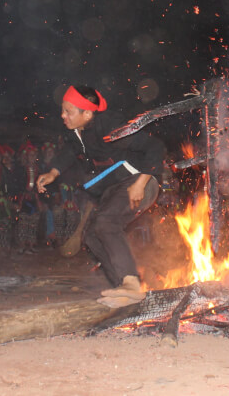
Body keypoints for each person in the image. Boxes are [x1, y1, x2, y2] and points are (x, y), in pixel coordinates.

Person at [37, 85, 164, 307]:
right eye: (63, 110)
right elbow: (69, 152)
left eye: (68, 111)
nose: (63, 115)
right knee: (92, 236)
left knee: (106, 223)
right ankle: (125, 289)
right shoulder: (78, 133)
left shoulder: (110, 127)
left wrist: (140, 183)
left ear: (87, 113)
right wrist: (53, 172)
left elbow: (156, 146)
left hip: (139, 183)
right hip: (115, 189)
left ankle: (131, 282)